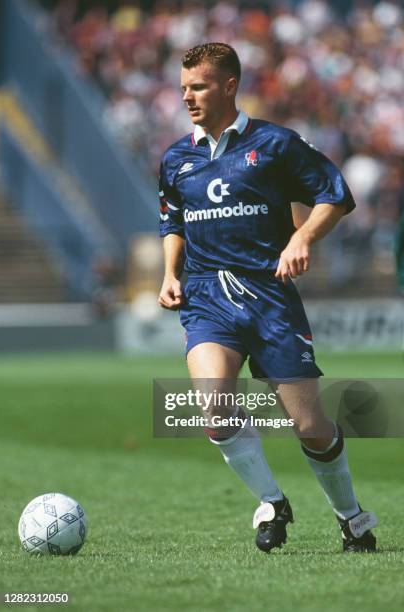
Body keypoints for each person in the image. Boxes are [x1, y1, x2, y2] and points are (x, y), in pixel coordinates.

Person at [158, 42, 377, 553]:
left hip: (269, 298)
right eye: (184, 87)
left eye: (199, 86)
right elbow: (171, 219)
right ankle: (273, 503)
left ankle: (351, 517)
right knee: (214, 410)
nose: (188, 96)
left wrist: (302, 238)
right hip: (208, 297)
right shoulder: (176, 158)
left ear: (229, 86)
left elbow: (336, 193)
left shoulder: (276, 144)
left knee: (310, 426)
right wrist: (171, 273)